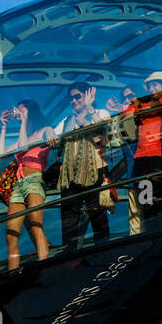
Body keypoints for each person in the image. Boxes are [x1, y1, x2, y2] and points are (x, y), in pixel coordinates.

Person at [0, 99, 55, 269]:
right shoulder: (22, 137)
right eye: (18, 111)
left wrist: (23, 122)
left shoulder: (43, 130)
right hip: (19, 184)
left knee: (36, 225)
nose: (19, 113)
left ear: (32, 111)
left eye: (22, 111)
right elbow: (1, 154)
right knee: (11, 234)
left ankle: (44, 266)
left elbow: (25, 146)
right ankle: (12, 273)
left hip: (34, 180)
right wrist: (3, 127)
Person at [115, 72, 162, 233]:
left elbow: (159, 105)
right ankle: (150, 235)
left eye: (156, 85)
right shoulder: (141, 104)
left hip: (160, 158)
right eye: (150, 86)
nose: (152, 88)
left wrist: (140, 106)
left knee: (161, 204)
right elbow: (126, 115)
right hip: (143, 161)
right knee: (146, 202)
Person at [55, 82, 113, 248]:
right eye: (70, 98)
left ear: (88, 95)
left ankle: (103, 252)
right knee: (68, 221)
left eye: (77, 96)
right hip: (70, 177)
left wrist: (89, 112)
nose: (73, 100)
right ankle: (70, 259)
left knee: (97, 218)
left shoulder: (101, 113)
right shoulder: (67, 121)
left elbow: (105, 136)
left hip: (94, 172)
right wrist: (47, 131)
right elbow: (51, 139)